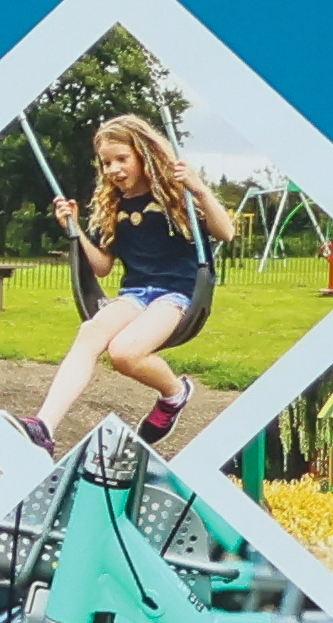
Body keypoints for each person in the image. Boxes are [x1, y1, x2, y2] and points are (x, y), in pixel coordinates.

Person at [50, 114, 225, 448]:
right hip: (135, 295)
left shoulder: (177, 195)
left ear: (143, 154)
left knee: (124, 353)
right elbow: (101, 267)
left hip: (177, 295)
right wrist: (74, 228)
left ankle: (175, 393)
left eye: (122, 159)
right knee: (90, 332)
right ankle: (44, 427)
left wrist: (199, 188)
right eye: (106, 163)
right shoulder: (112, 204)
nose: (114, 169)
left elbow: (225, 232)